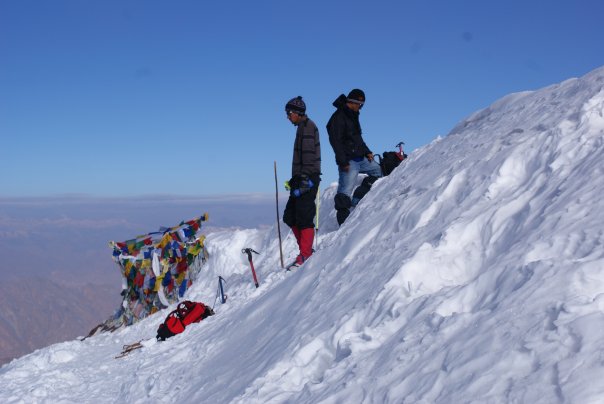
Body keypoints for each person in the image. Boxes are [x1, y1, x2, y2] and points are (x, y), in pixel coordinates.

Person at [326, 89, 382, 225]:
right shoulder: (338, 117)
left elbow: (357, 138)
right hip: (348, 161)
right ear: (352, 102)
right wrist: (342, 161)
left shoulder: (353, 115)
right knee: (344, 193)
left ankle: (358, 197)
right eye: (360, 104)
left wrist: (367, 151)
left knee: (378, 171)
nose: (360, 107)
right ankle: (343, 225)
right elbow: (335, 142)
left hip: (360, 158)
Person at [282, 96, 321, 269]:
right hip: (301, 178)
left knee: (305, 217)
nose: (288, 117)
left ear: (296, 112)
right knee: (290, 216)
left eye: (289, 113)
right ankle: (305, 251)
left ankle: (306, 254)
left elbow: (309, 156)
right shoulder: (301, 128)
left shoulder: (307, 128)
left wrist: (304, 180)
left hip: (308, 179)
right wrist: (294, 180)